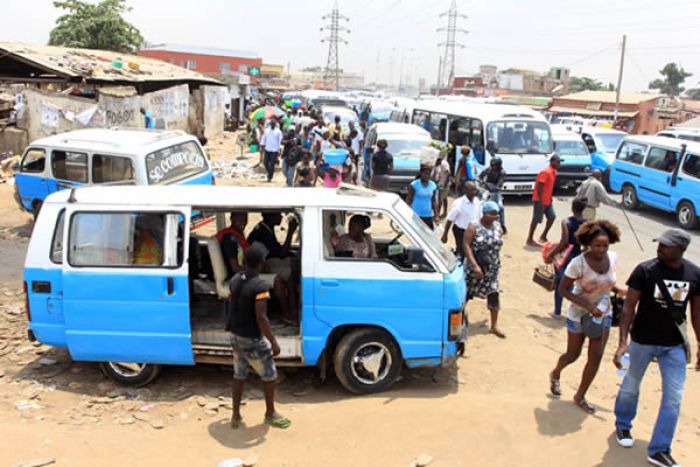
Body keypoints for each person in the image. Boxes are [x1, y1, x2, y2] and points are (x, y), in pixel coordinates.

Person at [612, 228, 700, 467]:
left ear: (680, 249)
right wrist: (622, 343)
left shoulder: (694, 274)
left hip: (674, 346)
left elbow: (696, 314)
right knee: (631, 385)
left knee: (674, 398)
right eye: (659, 243)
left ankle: (659, 449)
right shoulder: (645, 270)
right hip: (642, 341)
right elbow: (629, 307)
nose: (659, 248)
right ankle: (623, 424)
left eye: (666, 245)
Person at [549, 220, 623, 414]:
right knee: (573, 355)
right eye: (597, 245)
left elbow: (607, 281)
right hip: (578, 314)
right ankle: (556, 373)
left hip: (603, 313)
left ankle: (580, 395)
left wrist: (619, 290)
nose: (601, 249)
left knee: (596, 356)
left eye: (605, 245)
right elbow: (563, 289)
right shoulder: (578, 263)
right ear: (589, 243)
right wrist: (588, 306)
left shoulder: (613, 257)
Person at [227, 243, 290, 430]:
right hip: (252, 338)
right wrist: (274, 342)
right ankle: (270, 413)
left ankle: (235, 415)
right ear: (262, 263)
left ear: (244, 261)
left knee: (239, 375)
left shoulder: (235, 279)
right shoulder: (260, 285)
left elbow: (231, 305)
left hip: (235, 334)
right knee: (269, 375)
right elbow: (261, 318)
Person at [463, 201, 505, 339]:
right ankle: (457, 320)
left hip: (492, 269)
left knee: (494, 293)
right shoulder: (474, 226)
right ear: (484, 213)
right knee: (465, 295)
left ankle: (494, 326)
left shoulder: (498, 227)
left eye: (496, 214)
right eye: (492, 214)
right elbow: (466, 245)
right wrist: (474, 265)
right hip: (474, 269)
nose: (495, 217)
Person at [248, 213, 299, 323]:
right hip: (260, 266)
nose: (281, 217)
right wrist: (290, 232)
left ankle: (295, 306)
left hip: (268, 261)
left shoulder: (267, 228)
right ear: (269, 216)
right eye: (278, 214)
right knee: (289, 271)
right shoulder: (262, 232)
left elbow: (279, 252)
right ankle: (290, 311)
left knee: (294, 262)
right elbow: (281, 253)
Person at [546, 198, 587, 318]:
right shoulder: (588, 223)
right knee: (575, 283)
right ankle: (575, 309)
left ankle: (558, 311)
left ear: (572, 208)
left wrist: (551, 253)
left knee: (562, 283)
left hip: (567, 256)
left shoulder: (566, 222)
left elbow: (564, 241)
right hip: (579, 255)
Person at [526, 155, 561, 247]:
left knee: (552, 217)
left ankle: (543, 236)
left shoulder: (553, 172)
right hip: (540, 200)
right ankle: (529, 239)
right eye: (557, 162)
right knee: (536, 219)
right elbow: (539, 186)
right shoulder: (546, 172)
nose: (559, 164)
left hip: (548, 200)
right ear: (552, 161)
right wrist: (540, 201)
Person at [441, 181, 482, 258]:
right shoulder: (458, 203)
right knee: (462, 251)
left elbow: (480, 217)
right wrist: (445, 234)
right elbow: (450, 219)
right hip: (461, 231)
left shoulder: (477, 202)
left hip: (474, 231)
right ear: (466, 190)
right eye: (472, 190)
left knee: (473, 251)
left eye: (475, 189)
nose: (474, 192)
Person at [478, 157, 507, 234]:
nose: (492, 167)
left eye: (494, 165)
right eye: (492, 165)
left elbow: (499, 185)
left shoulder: (502, 172)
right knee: (481, 205)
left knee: (500, 207)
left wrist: (492, 187)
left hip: (495, 192)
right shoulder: (489, 169)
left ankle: (502, 224)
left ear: (499, 165)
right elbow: (480, 176)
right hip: (486, 190)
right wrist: (481, 181)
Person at [217, 212, 250, 277]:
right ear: (232, 219)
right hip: (236, 277)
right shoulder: (229, 239)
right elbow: (235, 269)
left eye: (245, 219)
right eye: (240, 219)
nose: (243, 222)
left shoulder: (238, 236)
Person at [431, 151, 451, 219]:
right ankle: (443, 213)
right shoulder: (436, 163)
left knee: (440, 199)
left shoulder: (444, 163)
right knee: (442, 198)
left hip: (443, 183)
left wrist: (445, 184)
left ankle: (438, 214)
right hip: (439, 183)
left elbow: (448, 173)